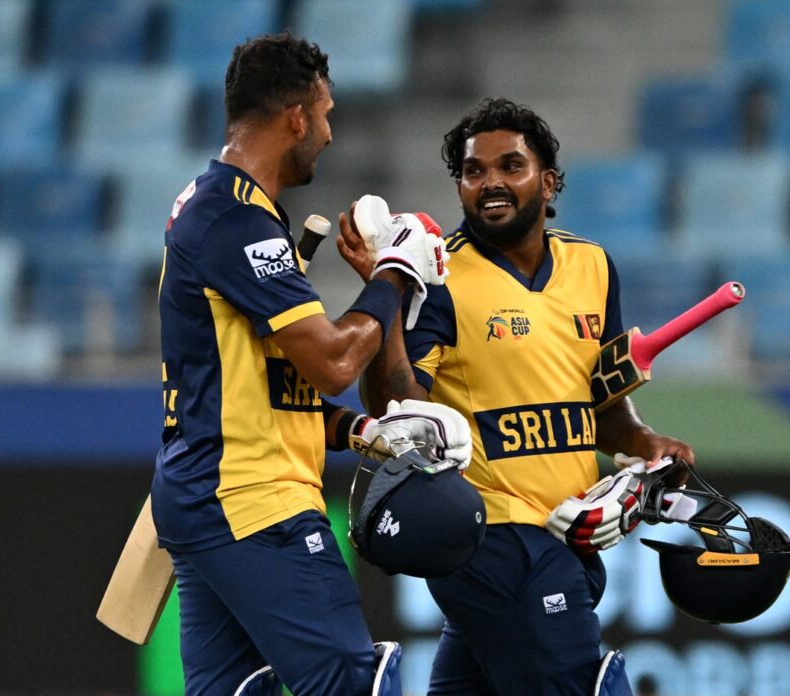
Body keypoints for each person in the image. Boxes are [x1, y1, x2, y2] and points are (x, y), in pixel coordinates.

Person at [151, 30, 470, 696]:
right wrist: (395, 271)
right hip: (253, 502)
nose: (328, 133)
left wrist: (358, 430)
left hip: (209, 497)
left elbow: (261, 384)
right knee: (355, 683)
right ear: (295, 117)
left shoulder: (224, 210)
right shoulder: (233, 220)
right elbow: (334, 362)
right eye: (324, 115)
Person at [361, 97, 696, 695]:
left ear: (548, 182)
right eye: (474, 171)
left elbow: (602, 402)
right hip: (495, 539)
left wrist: (645, 441)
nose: (490, 182)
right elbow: (396, 409)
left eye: (510, 166)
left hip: (569, 537)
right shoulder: (438, 278)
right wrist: (385, 291)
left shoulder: (593, 266)